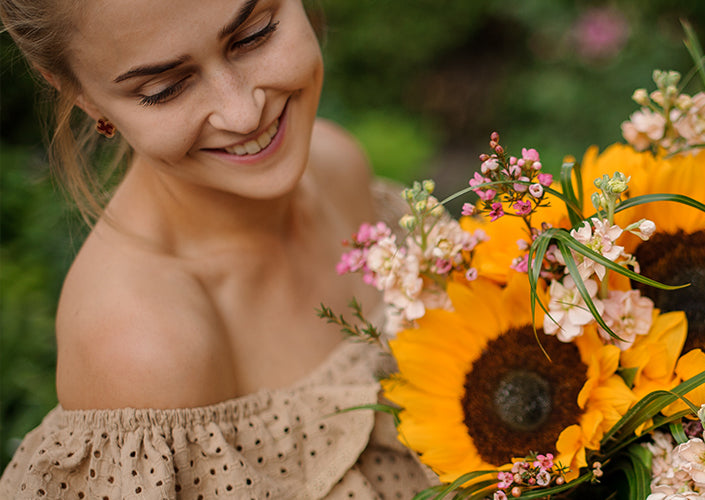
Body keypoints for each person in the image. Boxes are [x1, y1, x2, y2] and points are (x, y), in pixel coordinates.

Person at [0, 0, 437, 497]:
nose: (243, 112)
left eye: (254, 35)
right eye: (165, 89)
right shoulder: (142, 349)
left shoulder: (336, 163)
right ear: (83, 97)